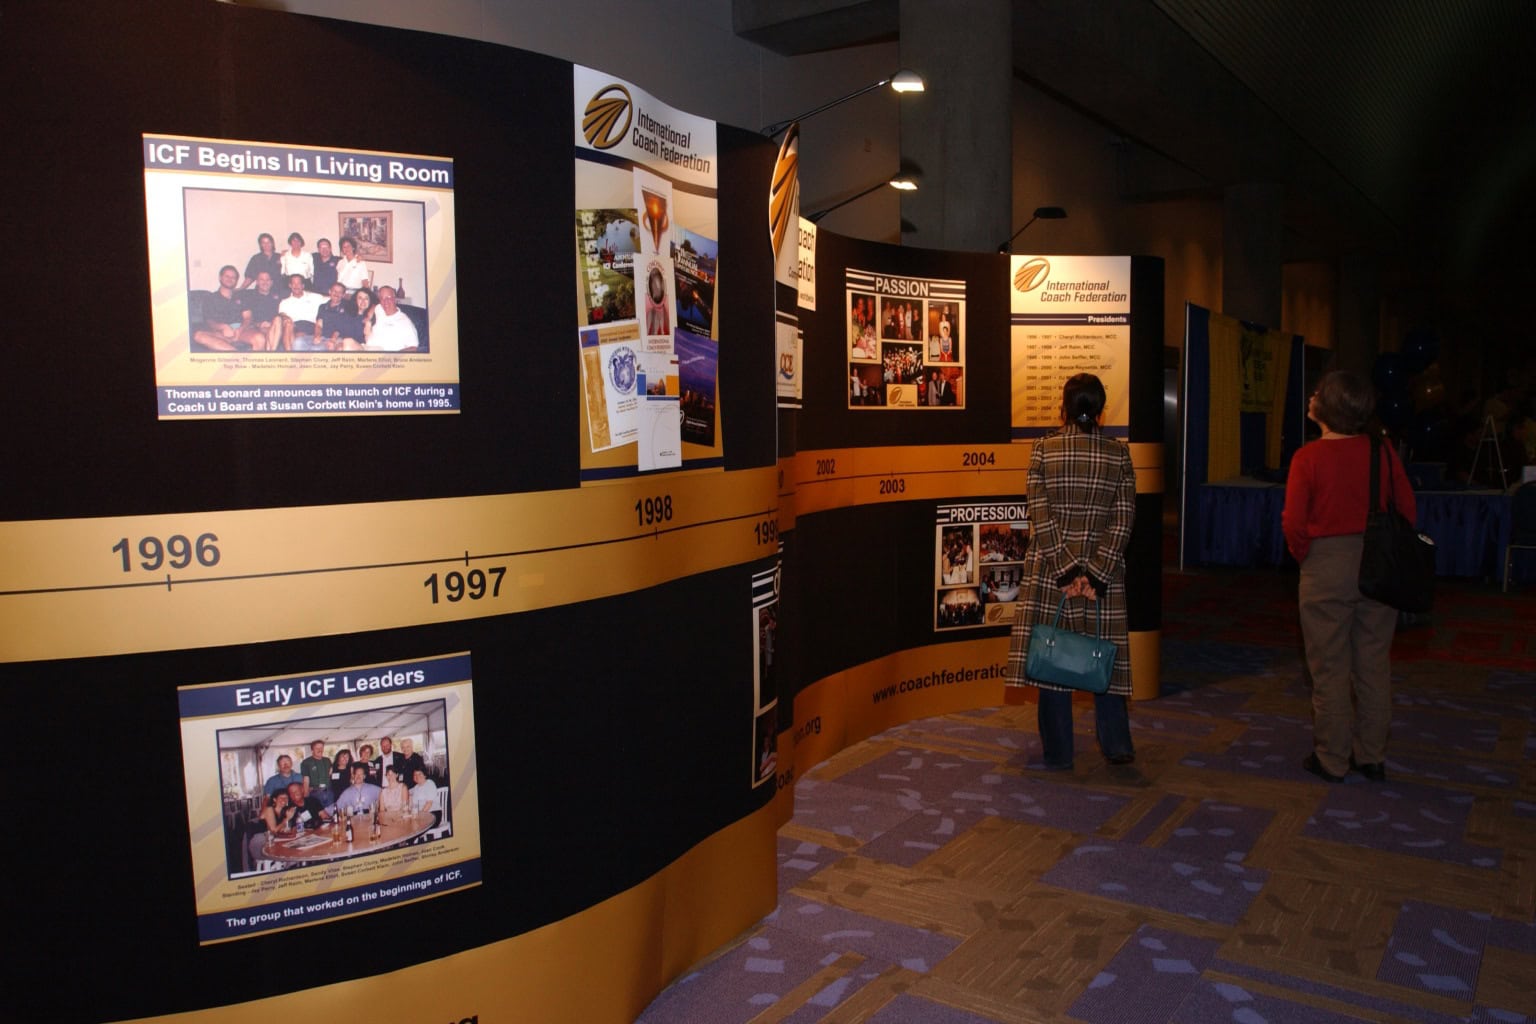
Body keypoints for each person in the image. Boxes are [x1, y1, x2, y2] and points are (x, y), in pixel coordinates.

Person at [1283, 370, 1414, 783]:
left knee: (1329, 668)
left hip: (1327, 565)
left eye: (1318, 392)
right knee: (1373, 664)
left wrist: (1311, 559)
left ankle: (1332, 758)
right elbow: (1407, 511)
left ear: (1329, 406)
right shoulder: (1383, 451)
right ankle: (1371, 755)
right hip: (1378, 563)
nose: (1312, 396)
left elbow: (1294, 523)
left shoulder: (1309, 457)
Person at [1005, 373, 1136, 769]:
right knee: (1105, 659)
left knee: (1051, 660)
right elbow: (1124, 518)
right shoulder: (1119, 455)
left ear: (1063, 407)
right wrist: (1095, 574)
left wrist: (1065, 571)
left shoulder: (1044, 450)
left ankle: (1059, 753)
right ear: (1100, 410)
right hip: (1103, 577)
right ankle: (1117, 747)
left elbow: (1039, 516)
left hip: (1050, 572)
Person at [192, 266, 249, 351]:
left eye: (233, 277)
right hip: (221, 333)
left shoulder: (242, 296)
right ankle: (236, 354)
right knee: (198, 335)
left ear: (236, 281)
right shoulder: (210, 298)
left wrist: (241, 329)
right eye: (227, 276)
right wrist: (222, 327)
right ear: (220, 277)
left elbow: (248, 317)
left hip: (241, 331)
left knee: (259, 338)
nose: (230, 279)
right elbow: (209, 321)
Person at [276, 274, 326, 350]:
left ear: (303, 285)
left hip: (312, 326)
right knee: (288, 325)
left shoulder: (316, 297)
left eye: (299, 283)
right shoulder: (284, 302)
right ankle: (289, 355)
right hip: (294, 327)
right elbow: (282, 316)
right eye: (293, 283)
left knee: (298, 336)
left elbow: (333, 299)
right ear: (290, 285)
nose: (296, 286)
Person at [367, 286, 420, 351]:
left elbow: (413, 348)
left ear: (395, 299)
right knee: (350, 342)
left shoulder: (405, 322)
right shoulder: (379, 309)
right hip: (367, 348)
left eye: (388, 297)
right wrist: (368, 319)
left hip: (383, 355)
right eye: (382, 298)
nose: (385, 301)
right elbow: (374, 306)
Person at [237, 271, 280, 349]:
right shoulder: (249, 296)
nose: (265, 282)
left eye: (267, 280)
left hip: (274, 328)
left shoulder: (278, 297)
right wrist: (259, 324)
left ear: (271, 282)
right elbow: (247, 319)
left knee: (277, 321)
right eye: (262, 280)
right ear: (257, 282)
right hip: (255, 328)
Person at [313, 282, 354, 350]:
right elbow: (319, 324)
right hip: (323, 337)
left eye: (340, 292)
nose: (336, 294)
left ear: (343, 295)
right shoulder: (322, 307)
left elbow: (341, 326)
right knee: (299, 342)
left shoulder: (347, 307)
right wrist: (317, 336)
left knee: (316, 349)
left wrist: (333, 339)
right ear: (330, 292)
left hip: (337, 338)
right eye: (334, 291)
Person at [299, 740, 333, 806]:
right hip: (315, 792)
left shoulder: (327, 760)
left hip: (329, 791)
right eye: (317, 748)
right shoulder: (306, 762)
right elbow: (306, 780)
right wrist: (306, 796)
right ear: (312, 750)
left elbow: (330, 774)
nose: (320, 750)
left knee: (331, 812)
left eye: (321, 748)